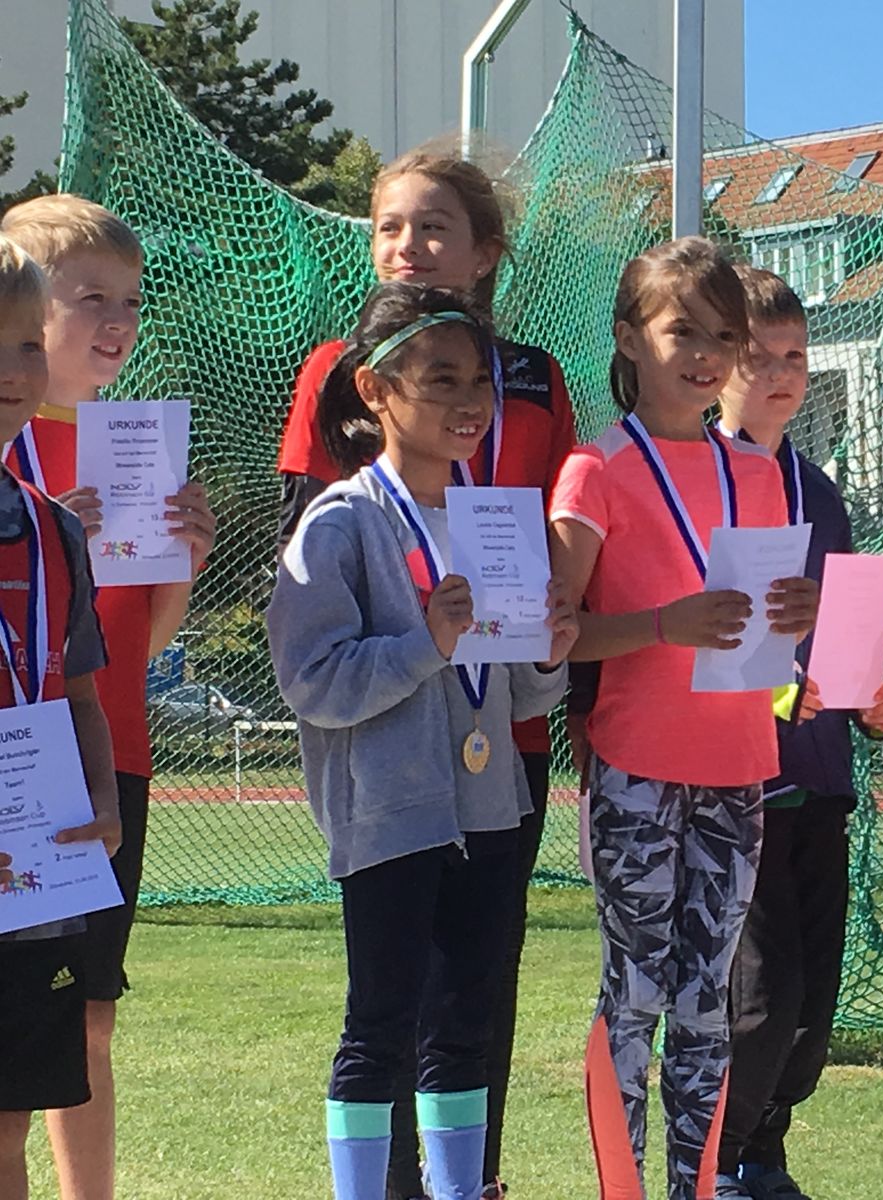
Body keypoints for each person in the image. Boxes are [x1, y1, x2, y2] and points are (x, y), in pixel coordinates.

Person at [273, 145, 576, 1200]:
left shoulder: (496, 503)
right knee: (382, 1022)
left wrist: (549, 654)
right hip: (390, 802)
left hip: (491, 790)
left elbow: (518, 674)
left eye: (477, 381)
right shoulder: (341, 517)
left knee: (467, 1020)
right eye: (439, 380)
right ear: (376, 389)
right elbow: (312, 675)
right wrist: (423, 646)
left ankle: (463, 1189)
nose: (468, 401)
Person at [548, 237, 819, 1200]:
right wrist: (665, 624)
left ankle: (693, 1188)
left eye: (723, 337)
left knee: (709, 1002)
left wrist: (799, 622)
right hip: (637, 764)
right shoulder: (595, 469)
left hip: (740, 762)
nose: (706, 356)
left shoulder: (758, 471)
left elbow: (762, 634)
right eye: (682, 333)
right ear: (630, 337)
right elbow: (556, 633)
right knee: (636, 993)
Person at [0, 195, 216, 1200]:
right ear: (32, 306)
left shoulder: (137, 444)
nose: (118, 319)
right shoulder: (16, 450)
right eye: (92, 297)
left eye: (130, 300)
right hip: (18, 766)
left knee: (86, 1017)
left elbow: (128, 653)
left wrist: (184, 566)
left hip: (101, 763)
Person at [711, 266, 883, 1200]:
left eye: (796, 356)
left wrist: (869, 699)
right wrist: (775, 696)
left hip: (821, 779)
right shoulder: (697, 478)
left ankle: (766, 1148)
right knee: (760, 996)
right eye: (761, 356)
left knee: (812, 1007)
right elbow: (707, 641)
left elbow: (840, 632)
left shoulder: (820, 492)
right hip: (738, 787)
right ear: (719, 363)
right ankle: (719, 1160)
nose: (783, 374)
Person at [0, 232, 122, 1200]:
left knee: (7, 1123)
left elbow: (79, 689)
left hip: (29, 881)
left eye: (28, 346)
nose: (13, 371)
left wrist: (103, 801)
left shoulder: (54, 528)